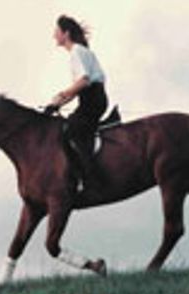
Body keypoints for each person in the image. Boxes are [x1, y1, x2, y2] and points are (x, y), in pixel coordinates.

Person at [44, 15, 108, 190]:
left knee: (71, 131)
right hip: (92, 97)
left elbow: (84, 81)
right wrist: (57, 104)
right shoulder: (81, 51)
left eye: (57, 31)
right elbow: (79, 86)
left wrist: (63, 94)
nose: (54, 35)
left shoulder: (76, 52)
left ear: (66, 33)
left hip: (92, 99)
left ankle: (90, 176)